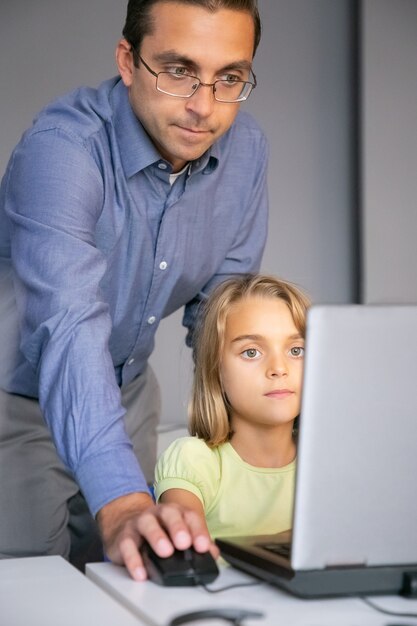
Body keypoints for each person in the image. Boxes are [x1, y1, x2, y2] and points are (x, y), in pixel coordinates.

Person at [0, 0, 267, 579]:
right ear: (128, 60)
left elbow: (225, 320)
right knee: (32, 594)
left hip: (129, 403)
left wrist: (273, 444)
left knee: (134, 583)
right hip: (15, 409)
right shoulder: (62, 151)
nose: (204, 108)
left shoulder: (245, 151)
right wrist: (122, 499)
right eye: (178, 71)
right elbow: (67, 328)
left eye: (229, 79)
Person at [154, 274, 310, 539]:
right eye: (251, 352)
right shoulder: (194, 462)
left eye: (296, 351)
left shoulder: (331, 466)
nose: (278, 369)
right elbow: (189, 551)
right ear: (216, 371)